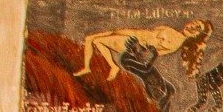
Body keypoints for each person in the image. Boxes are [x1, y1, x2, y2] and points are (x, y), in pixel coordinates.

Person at [74, 21, 211, 83]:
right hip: (132, 32)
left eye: (197, 28)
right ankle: (86, 67)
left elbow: (152, 54)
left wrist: (138, 49)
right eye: (194, 23)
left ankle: (113, 66)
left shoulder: (175, 44)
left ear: (195, 36)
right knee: (89, 38)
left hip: (132, 42)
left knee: (98, 41)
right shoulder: (172, 30)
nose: (192, 26)